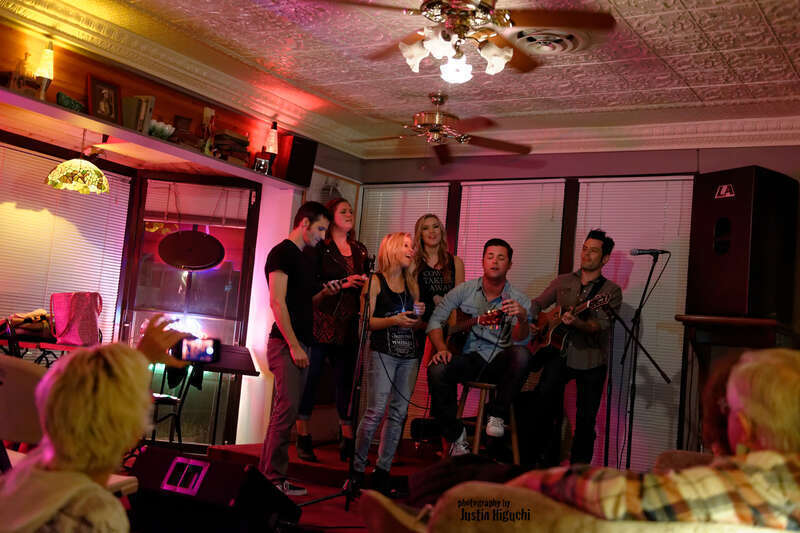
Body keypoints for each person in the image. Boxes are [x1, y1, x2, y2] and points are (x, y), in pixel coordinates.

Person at [514, 348, 800, 528]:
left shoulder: (741, 485)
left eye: (727, 406)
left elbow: (621, 495)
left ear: (744, 425)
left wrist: (527, 480)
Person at [0, 314, 188, 533]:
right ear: (132, 433)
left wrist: (140, 357)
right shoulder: (94, 517)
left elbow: (85, 393)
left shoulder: (22, 478)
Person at [258, 201, 343, 497]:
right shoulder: (282, 253)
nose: (322, 235)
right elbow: (277, 302)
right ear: (304, 223)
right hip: (285, 343)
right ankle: (271, 478)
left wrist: (324, 292)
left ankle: (271, 477)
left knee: (287, 410)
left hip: (300, 342)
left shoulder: (304, 258)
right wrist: (294, 345)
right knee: (287, 410)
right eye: (320, 228)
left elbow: (303, 304)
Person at [427, 238, 532, 456]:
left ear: (509, 264)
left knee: (522, 354)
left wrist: (522, 318)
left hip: (501, 363)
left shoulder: (519, 299)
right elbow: (435, 321)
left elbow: (520, 340)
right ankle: (456, 435)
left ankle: (497, 415)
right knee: (437, 369)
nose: (495, 262)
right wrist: (441, 348)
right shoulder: (465, 290)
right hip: (470, 359)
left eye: (501, 257)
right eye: (490, 256)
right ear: (483, 260)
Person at [528, 228, 623, 466]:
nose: (586, 254)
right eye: (584, 248)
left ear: (605, 259)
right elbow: (537, 303)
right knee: (544, 406)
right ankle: (543, 464)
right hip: (558, 354)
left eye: (593, 251)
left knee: (585, 419)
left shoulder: (610, 292)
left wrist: (577, 322)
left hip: (591, 359)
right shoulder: (563, 281)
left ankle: (579, 471)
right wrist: (534, 322)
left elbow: (600, 326)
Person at [295, 198, 369, 462]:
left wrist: (365, 284)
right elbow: (311, 284)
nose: (350, 214)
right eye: (344, 211)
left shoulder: (360, 250)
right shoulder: (320, 248)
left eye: (351, 210)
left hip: (348, 322)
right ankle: (303, 434)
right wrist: (342, 282)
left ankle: (347, 437)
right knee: (312, 379)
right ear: (331, 216)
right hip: (321, 319)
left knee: (345, 382)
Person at [350, 232, 425, 494]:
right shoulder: (375, 281)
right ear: (392, 249)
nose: (411, 250)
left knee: (398, 414)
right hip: (382, 353)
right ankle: (357, 470)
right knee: (375, 412)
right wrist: (394, 320)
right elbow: (366, 323)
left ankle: (382, 471)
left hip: (409, 354)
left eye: (412, 247)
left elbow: (414, 321)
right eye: (406, 246)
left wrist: (418, 315)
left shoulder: (411, 282)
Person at [412, 213, 465, 362]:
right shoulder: (414, 263)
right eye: (426, 228)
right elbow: (413, 300)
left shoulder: (456, 262)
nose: (432, 232)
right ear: (420, 234)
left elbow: (458, 302)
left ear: (441, 231)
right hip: (420, 327)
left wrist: (451, 331)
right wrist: (417, 320)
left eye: (436, 227)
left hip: (447, 327)